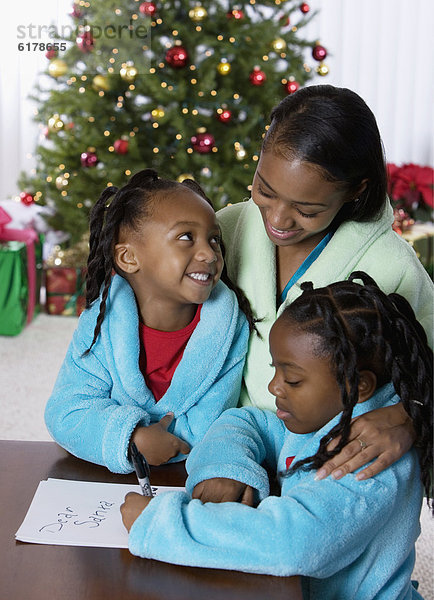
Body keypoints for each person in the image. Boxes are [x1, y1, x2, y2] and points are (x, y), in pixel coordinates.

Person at [121, 272, 432, 599]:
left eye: (293, 380)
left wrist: (160, 522)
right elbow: (245, 421)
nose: (274, 387)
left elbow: (295, 542)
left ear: (358, 385)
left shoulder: (370, 461)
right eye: (275, 370)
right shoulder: (328, 417)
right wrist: (227, 469)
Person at [216, 84, 433, 480]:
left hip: (328, 466)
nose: (278, 220)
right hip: (230, 446)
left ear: (356, 190)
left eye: (307, 209)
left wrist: (407, 417)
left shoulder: (389, 266)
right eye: (264, 189)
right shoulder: (227, 229)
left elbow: (426, 367)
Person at [45, 169, 251, 473]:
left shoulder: (228, 327)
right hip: (104, 478)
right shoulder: (102, 322)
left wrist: (165, 445)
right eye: (186, 237)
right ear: (129, 258)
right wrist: (132, 440)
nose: (209, 253)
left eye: (214, 239)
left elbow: (211, 423)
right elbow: (65, 412)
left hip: (186, 476)